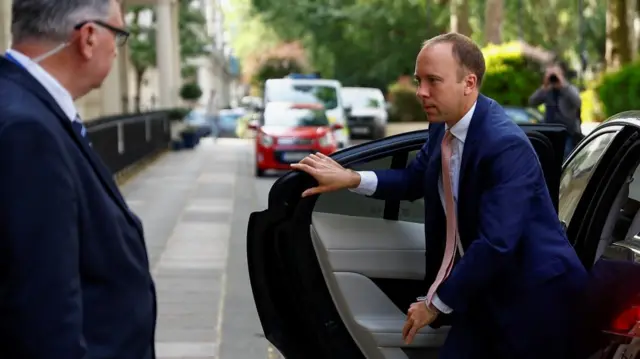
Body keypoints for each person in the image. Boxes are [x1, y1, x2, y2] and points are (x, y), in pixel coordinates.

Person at [291, 33, 587, 358]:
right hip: (482, 291)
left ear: (469, 83)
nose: (421, 92)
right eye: (419, 80)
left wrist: (434, 305)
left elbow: (496, 243)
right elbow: (416, 178)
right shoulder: (443, 126)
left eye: (433, 81)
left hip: (535, 299)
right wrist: (351, 178)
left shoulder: (504, 145)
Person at [0, 1, 156, 358]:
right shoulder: (27, 129)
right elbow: (41, 308)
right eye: (117, 34)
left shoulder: (26, 106)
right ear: (88, 37)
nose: (116, 50)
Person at [528, 63, 582, 158]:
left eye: (556, 74)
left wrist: (563, 86)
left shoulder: (569, 89)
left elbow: (577, 102)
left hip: (567, 132)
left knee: (565, 158)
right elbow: (532, 101)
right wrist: (544, 87)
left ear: (562, 74)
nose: (553, 77)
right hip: (549, 130)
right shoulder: (547, 90)